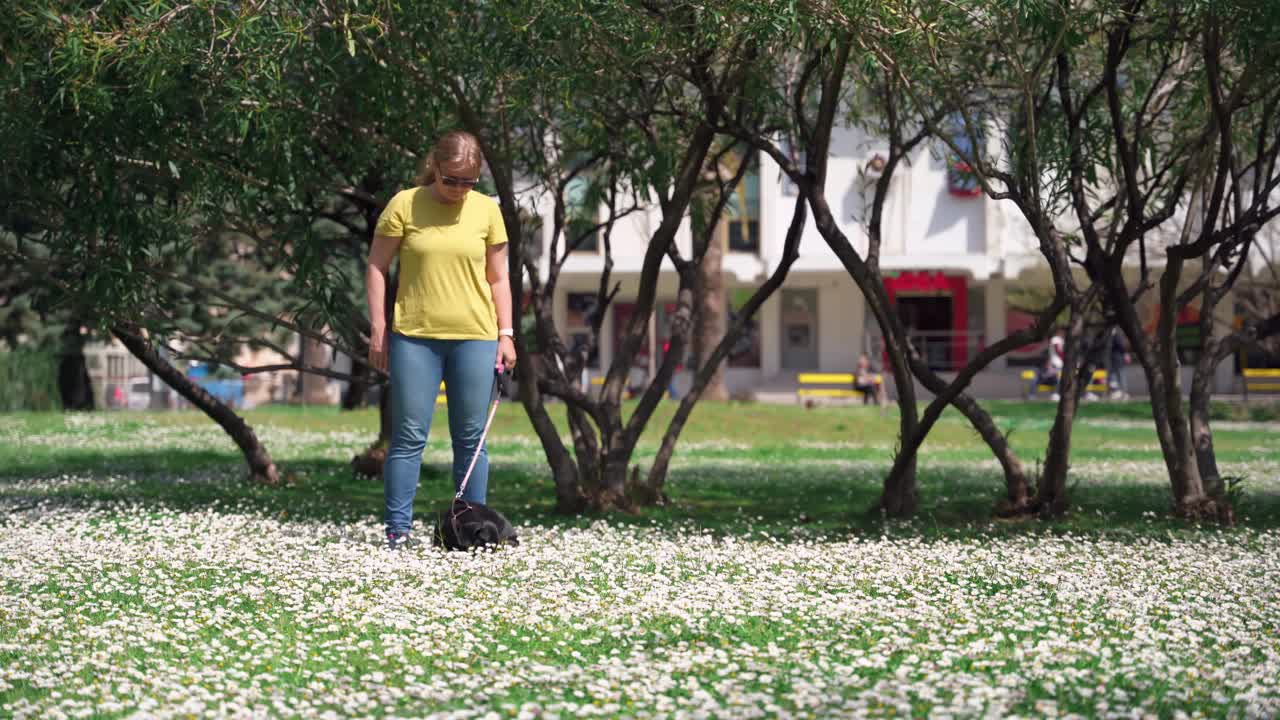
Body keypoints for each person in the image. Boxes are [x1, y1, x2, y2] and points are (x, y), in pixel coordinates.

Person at [366, 131, 517, 550]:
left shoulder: (487, 211)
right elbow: (377, 266)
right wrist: (379, 327)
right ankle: (397, 534)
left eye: (469, 182)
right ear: (436, 167)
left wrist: (506, 334)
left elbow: (499, 277)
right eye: (452, 180)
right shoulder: (405, 204)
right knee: (409, 437)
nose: (459, 190)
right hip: (416, 338)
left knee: (471, 440)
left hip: (476, 337)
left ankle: (472, 533)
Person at [1033, 327, 1064, 401]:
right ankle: (1055, 394)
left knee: (1057, 378)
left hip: (1058, 363)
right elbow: (1058, 351)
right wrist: (1066, 358)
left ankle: (1055, 394)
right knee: (1056, 378)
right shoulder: (1056, 339)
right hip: (1056, 363)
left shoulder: (1059, 339)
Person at [1107, 326, 1131, 400]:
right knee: (1116, 376)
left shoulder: (1116, 334)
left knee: (1120, 376)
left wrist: (1125, 354)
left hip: (1118, 359)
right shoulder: (1115, 334)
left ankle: (1122, 392)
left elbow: (1122, 346)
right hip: (1115, 359)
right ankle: (1118, 392)